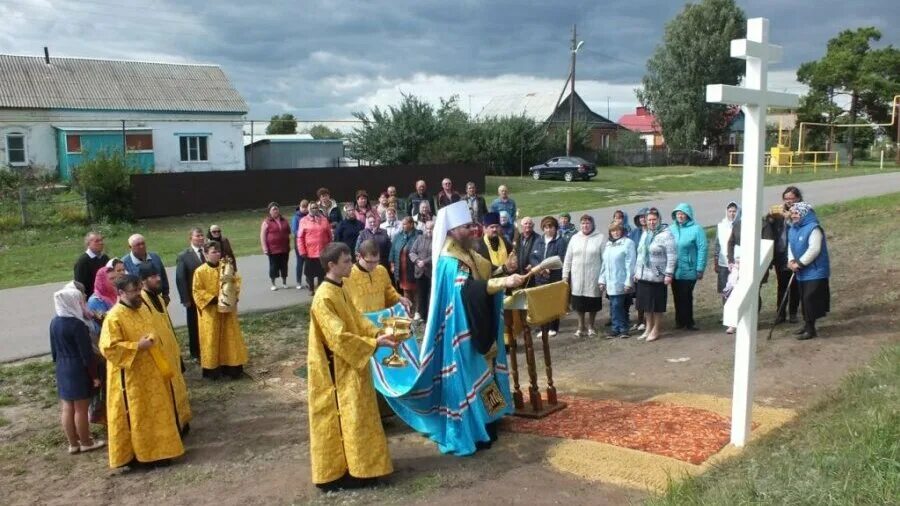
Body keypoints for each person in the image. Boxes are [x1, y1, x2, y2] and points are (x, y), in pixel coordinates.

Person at [374, 200, 526, 455]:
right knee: (469, 378)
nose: (473, 230)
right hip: (460, 328)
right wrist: (504, 282)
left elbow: (482, 277)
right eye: (467, 226)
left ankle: (488, 420)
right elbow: (465, 290)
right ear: (453, 230)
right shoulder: (448, 258)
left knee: (483, 375)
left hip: (474, 322)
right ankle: (471, 429)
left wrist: (503, 270)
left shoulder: (466, 251)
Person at [306, 242, 399, 490]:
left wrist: (378, 332)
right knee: (348, 419)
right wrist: (372, 343)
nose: (351, 265)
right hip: (336, 370)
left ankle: (365, 467)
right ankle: (346, 473)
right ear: (331, 265)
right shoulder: (324, 297)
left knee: (361, 416)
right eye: (346, 261)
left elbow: (357, 319)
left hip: (352, 364)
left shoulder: (340, 289)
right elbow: (338, 337)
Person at [100, 274, 184, 468]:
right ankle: (141, 456)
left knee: (157, 413)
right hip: (131, 379)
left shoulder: (142, 309)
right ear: (121, 293)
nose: (139, 294)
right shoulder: (114, 317)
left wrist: (152, 340)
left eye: (139, 289)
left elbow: (154, 330)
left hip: (152, 373)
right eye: (134, 291)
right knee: (138, 416)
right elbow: (109, 348)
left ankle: (163, 451)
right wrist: (138, 346)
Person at [50, 282, 105, 455]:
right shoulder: (77, 325)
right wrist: (94, 376)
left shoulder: (54, 322)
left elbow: (53, 350)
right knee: (81, 408)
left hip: (62, 366)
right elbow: (86, 354)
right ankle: (87, 441)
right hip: (78, 368)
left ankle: (73, 443)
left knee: (67, 407)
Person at [139, 263, 192, 433]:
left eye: (158, 275)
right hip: (159, 355)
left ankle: (182, 423)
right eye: (153, 277)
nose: (158, 279)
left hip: (170, 351)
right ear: (143, 281)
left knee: (177, 389)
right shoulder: (142, 302)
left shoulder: (159, 298)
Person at [192, 241, 248, 379]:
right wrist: (214, 299)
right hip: (210, 312)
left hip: (227, 310)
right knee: (212, 339)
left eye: (218, 252)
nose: (217, 254)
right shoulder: (200, 271)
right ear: (205, 254)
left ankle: (232, 368)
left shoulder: (226, 267)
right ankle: (213, 370)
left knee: (230, 337)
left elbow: (236, 281)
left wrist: (231, 295)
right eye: (213, 252)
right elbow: (197, 290)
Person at [787, 202, 831, 340]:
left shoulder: (814, 229)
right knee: (804, 299)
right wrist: (791, 261)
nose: (793, 216)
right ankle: (807, 325)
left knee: (810, 298)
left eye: (796, 213)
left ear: (804, 214)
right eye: (792, 213)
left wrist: (799, 263)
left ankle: (811, 329)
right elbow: (790, 246)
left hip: (815, 271)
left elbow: (814, 249)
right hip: (801, 271)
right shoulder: (793, 229)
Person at [634, 209, 676, 342]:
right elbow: (640, 254)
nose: (651, 222)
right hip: (644, 275)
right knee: (646, 305)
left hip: (658, 276)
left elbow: (672, 255)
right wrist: (637, 272)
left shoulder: (666, 235)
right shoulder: (645, 234)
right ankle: (648, 328)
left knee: (657, 305)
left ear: (659, 220)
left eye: (654, 220)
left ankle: (656, 329)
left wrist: (669, 274)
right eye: (649, 220)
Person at [563, 215, 605, 337]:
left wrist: (603, 278)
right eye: (583, 223)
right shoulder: (574, 238)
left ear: (592, 224)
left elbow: (605, 260)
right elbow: (568, 259)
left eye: (587, 223)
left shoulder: (600, 238)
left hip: (593, 276)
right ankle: (581, 326)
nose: (585, 226)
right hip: (577, 277)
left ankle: (591, 326)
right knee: (578, 303)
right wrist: (565, 275)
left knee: (592, 303)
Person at [344, 239, 411, 314]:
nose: (374, 265)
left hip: (380, 318)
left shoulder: (381, 270)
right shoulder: (347, 275)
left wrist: (399, 299)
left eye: (376, 261)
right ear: (359, 256)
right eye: (369, 262)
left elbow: (388, 291)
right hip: (359, 320)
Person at [670, 203, 708, 331]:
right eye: (678, 213)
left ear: (688, 215)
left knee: (686, 295)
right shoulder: (671, 229)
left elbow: (702, 248)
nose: (680, 216)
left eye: (682, 213)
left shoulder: (697, 229)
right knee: (676, 295)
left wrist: (700, 268)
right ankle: (679, 321)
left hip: (690, 269)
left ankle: (689, 322)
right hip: (674, 269)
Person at [529, 216, 568, 337]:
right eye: (546, 227)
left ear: (555, 228)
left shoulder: (560, 241)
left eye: (551, 227)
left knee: (552, 303)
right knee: (541, 303)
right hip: (540, 277)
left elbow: (561, 258)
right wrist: (540, 268)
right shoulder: (539, 240)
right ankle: (543, 328)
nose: (548, 230)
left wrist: (548, 268)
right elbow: (533, 256)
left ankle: (553, 327)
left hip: (553, 276)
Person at [598, 223, 637, 339]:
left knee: (618, 305)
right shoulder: (609, 245)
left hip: (621, 280)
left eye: (618, 230)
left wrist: (628, 281)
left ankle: (623, 328)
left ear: (622, 231)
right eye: (613, 231)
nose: (615, 233)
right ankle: (617, 328)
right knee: (614, 305)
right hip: (610, 281)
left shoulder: (628, 243)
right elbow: (605, 264)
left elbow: (630, 263)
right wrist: (602, 280)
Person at [771, 186, 803, 323]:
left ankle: (793, 313)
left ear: (798, 198)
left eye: (791, 198)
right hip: (781, 253)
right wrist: (771, 218)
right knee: (782, 285)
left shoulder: (802, 211)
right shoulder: (778, 212)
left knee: (795, 285)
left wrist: (789, 216)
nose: (788, 201)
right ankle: (780, 314)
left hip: (796, 253)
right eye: (786, 198)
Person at [175, 228, 206, 360]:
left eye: (202, 235)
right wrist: (185, 299)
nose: (200, 238)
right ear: (191, 238)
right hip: (193, 298)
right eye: (197, 236)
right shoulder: (184, 256)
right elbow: (180, 278)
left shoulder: (208, 251)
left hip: (208, 296)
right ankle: (196, 352)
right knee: (194, 325)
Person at [715, 202, 741, 334]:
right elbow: (718, 244)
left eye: (734, 211)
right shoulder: (721, 225)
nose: (732, 213)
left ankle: (736, 318)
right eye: (730, 211)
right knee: (725, 291)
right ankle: (727, 314)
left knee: (735, 290)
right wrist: (716, 261)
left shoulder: (740, 225)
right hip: (724, 262)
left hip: (737, 263)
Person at [298, 201, 333, 296]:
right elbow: (300, 237)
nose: (314, 209)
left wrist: (330, 248)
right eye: (312, 208)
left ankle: (320, 289)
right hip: (309, 252)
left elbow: (329, 235)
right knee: (309, 273)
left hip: (322, 251)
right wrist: (302, 251)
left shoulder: (324, 219)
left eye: (316, 207)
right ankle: (311, 288)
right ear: (309, 209)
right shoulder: (303, 220)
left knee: (321, 272)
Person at [121, 234, 169, 303]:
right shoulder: (125, 263)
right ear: (130, 247)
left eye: (143, 243)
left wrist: (165, 294)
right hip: (141, 302)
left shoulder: (155, 257)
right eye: (138, 244)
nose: (141, 246)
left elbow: (163, 276)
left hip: (159, 298)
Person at [87, 259, 125, 338]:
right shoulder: (95, 300)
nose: (115, 281)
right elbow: (104, 322)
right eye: (111, 279)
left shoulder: (114, 294)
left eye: (115, 278)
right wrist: (118, 304)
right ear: (102, 281)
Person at [389, 217, 420, 310]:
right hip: (402, 270)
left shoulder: (419, 235)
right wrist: (392, 264)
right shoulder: (398, 236)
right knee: (406, 291)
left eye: (405, 224)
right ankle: (409, 311)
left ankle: (418, 312)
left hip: (414, 269)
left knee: (416, 292)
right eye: (402, 224)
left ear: (411, 224)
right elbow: (392, 251)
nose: (402, 226)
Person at [260, 202, 291, 291]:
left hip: (284, 248)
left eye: (277, 209)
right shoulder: (266, 222)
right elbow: (262, 236)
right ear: (269, 211)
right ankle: (273, 284)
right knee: (273, 267)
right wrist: (265, 248)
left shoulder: (284, 220)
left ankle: (284, 282)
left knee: (284, 266)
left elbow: (288, 232)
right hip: (273, 250)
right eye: (273, 209)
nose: (275, 211)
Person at [408, 220, 433, 320]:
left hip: (430, 272)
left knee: (430, 294)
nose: (429, 231)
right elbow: (412, 252)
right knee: (421, 294)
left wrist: (425, 262)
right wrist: (417, 261)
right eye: (427, 228)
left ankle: (430, 315)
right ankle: (421, 314)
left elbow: (436, 254)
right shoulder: (419, 238)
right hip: (419, 271)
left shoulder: (437, 240)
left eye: (431, 228)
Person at [629, 208, 650, 331]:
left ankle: (648, 321)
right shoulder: (634, 233)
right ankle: (639, 320)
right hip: (636, 269)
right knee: (638, 296)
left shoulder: (653, 232)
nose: (642, 219)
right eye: (640, 217)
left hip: (649, 269)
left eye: (645, 216)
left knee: (648, 296)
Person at [74, 231, 109, 297]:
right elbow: (80, 285)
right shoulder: (83, 261)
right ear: (88, 244)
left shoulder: (104, 258)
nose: (101, 243)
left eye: (101, 240)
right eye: (97, 241)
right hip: (91, 299)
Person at [291, 199, 310, 289]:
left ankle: (308, 280)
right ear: (300, 207)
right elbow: (295, 230)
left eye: (306, 207)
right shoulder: (296, 217)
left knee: (308, 262)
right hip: (299, 242)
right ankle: (298, 281)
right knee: (300, 262)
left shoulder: (310, 216)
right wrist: (305, 232)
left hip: (309, 242)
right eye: (303, 207)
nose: (305, 209)